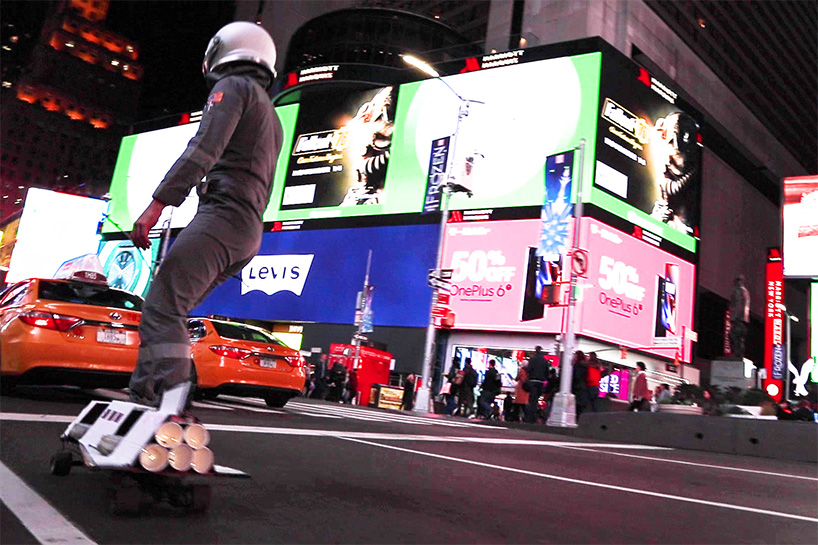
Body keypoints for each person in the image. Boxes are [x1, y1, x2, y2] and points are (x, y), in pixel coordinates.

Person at [127, 22, 282, 407]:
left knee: (163, 307)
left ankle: (171, 404)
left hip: (222, 217)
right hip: (247, 231)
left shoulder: (232, 87)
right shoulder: (272, 115)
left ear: (222, 50)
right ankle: (144, 396)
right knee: (166, 309)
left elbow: (203, 149)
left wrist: (157, 205)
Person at [524, 346, 550, 423]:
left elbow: (528, 369)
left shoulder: (532, 359)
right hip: (540, 382)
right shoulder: (545, 361)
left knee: (532, 400)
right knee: (536, 399)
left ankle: (530, 417)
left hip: (533, 381)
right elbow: (547, 373)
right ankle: (534, 416)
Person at [728, 274, 750, 360]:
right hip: (743, 320)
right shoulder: (745, 291)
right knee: (739, 339)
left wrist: (734, 316)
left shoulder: (739, 291)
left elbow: (738, 305)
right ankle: (738, 354)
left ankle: (736, 354)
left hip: (738, 319)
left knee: (733, 336)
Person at [572, 351, 588, 415]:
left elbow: (576, 376)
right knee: (580, 406)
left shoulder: (578, 365)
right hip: (583, 386)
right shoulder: (585, 366)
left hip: (577, 387)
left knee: (576, 405)